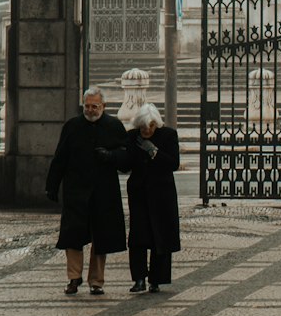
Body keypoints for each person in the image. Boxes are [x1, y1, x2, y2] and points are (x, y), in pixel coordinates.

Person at [46, 87, 131, 297]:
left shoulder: (114, 126)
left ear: (104, 106)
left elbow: (126, 159)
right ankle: (74, 277)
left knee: (101, 236)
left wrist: (111, 156)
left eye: (95, 106)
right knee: (72, 235)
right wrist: (52, 185)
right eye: (88, 106)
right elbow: (60, 158)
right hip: (76, 189)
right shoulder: (72, 126)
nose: (91, 110)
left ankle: (96, 281)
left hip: (104, 191)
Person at [97, 102, 180, 293]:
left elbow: (173, 163)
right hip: (140, 193)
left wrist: (154, 151)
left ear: (155, 124)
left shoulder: (167, 135)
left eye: (150, 126)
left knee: (161, 236)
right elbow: (126, 164)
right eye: (143, 127)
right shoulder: (132, 137)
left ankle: (156, 280)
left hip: (162, 195)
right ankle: (139, 279)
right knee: (138, 238)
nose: (146, 130)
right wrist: (112, 157)